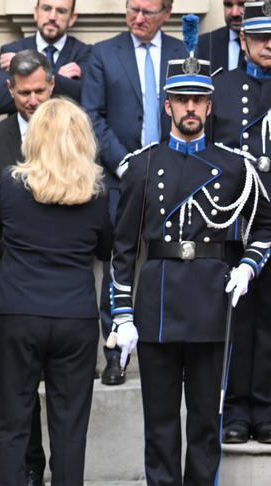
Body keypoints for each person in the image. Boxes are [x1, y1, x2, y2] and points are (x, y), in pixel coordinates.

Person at [110, 45, 271, 486]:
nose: (191, 108)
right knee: (160, 426)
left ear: (209, 105)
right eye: (182, 99)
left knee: (204, 424)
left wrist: (248, 266)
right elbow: (123, 248)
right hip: (158, 301)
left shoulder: (235, 167)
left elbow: (265, 226)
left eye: (199, 100)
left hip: (211, 303)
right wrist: (121, 313)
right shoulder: (142, 166)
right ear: (167, 105)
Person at [0, 98, 111, 486]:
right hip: (75, 315)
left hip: (19, 312)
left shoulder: (14, 186)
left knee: (11, 421)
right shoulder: (96, 192)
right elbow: (106, 246)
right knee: (70, 425)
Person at [82, 0, 186, 386]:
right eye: (132, 9)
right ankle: (115, 354)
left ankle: (177, 349)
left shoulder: (182, 51)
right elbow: (92, 116)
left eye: (148, 11)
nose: (138, 18)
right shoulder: (103, 54)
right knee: (117, 263)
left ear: (167, 13)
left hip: (177, 176)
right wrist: (126, 165)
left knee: (178, 262)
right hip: (120, 177)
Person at [0, 49, 55, 486]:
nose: (32, 99)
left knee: (57, 388)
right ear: (10, 90)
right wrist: (28, 248)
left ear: (52, 86)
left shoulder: (68, 131)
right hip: (11, 280)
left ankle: (61, 478)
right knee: (16, 388)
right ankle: (27, 470)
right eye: (24, 92)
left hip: (62, 283)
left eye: (40, 90)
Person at [210, 2, 271, 444]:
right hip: (236, 218)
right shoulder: (221, 87)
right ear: (244, 41)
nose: (268, 46)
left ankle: (266, 409)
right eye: (260, 38)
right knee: (237, 316)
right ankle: (234, 409)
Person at [0, 0, 90, 116]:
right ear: (36, 13)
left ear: (72, 18)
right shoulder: (12, 49)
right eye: (46, 9)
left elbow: (86, 98)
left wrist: (28, 64)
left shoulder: (84, 53)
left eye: (61, 11)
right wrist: (60, 79)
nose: (52, 17)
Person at [197, 0, 245, 73]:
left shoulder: (264, 45)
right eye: (228, 5)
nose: (234, 13)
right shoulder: (204, 44)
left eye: (242, 4)